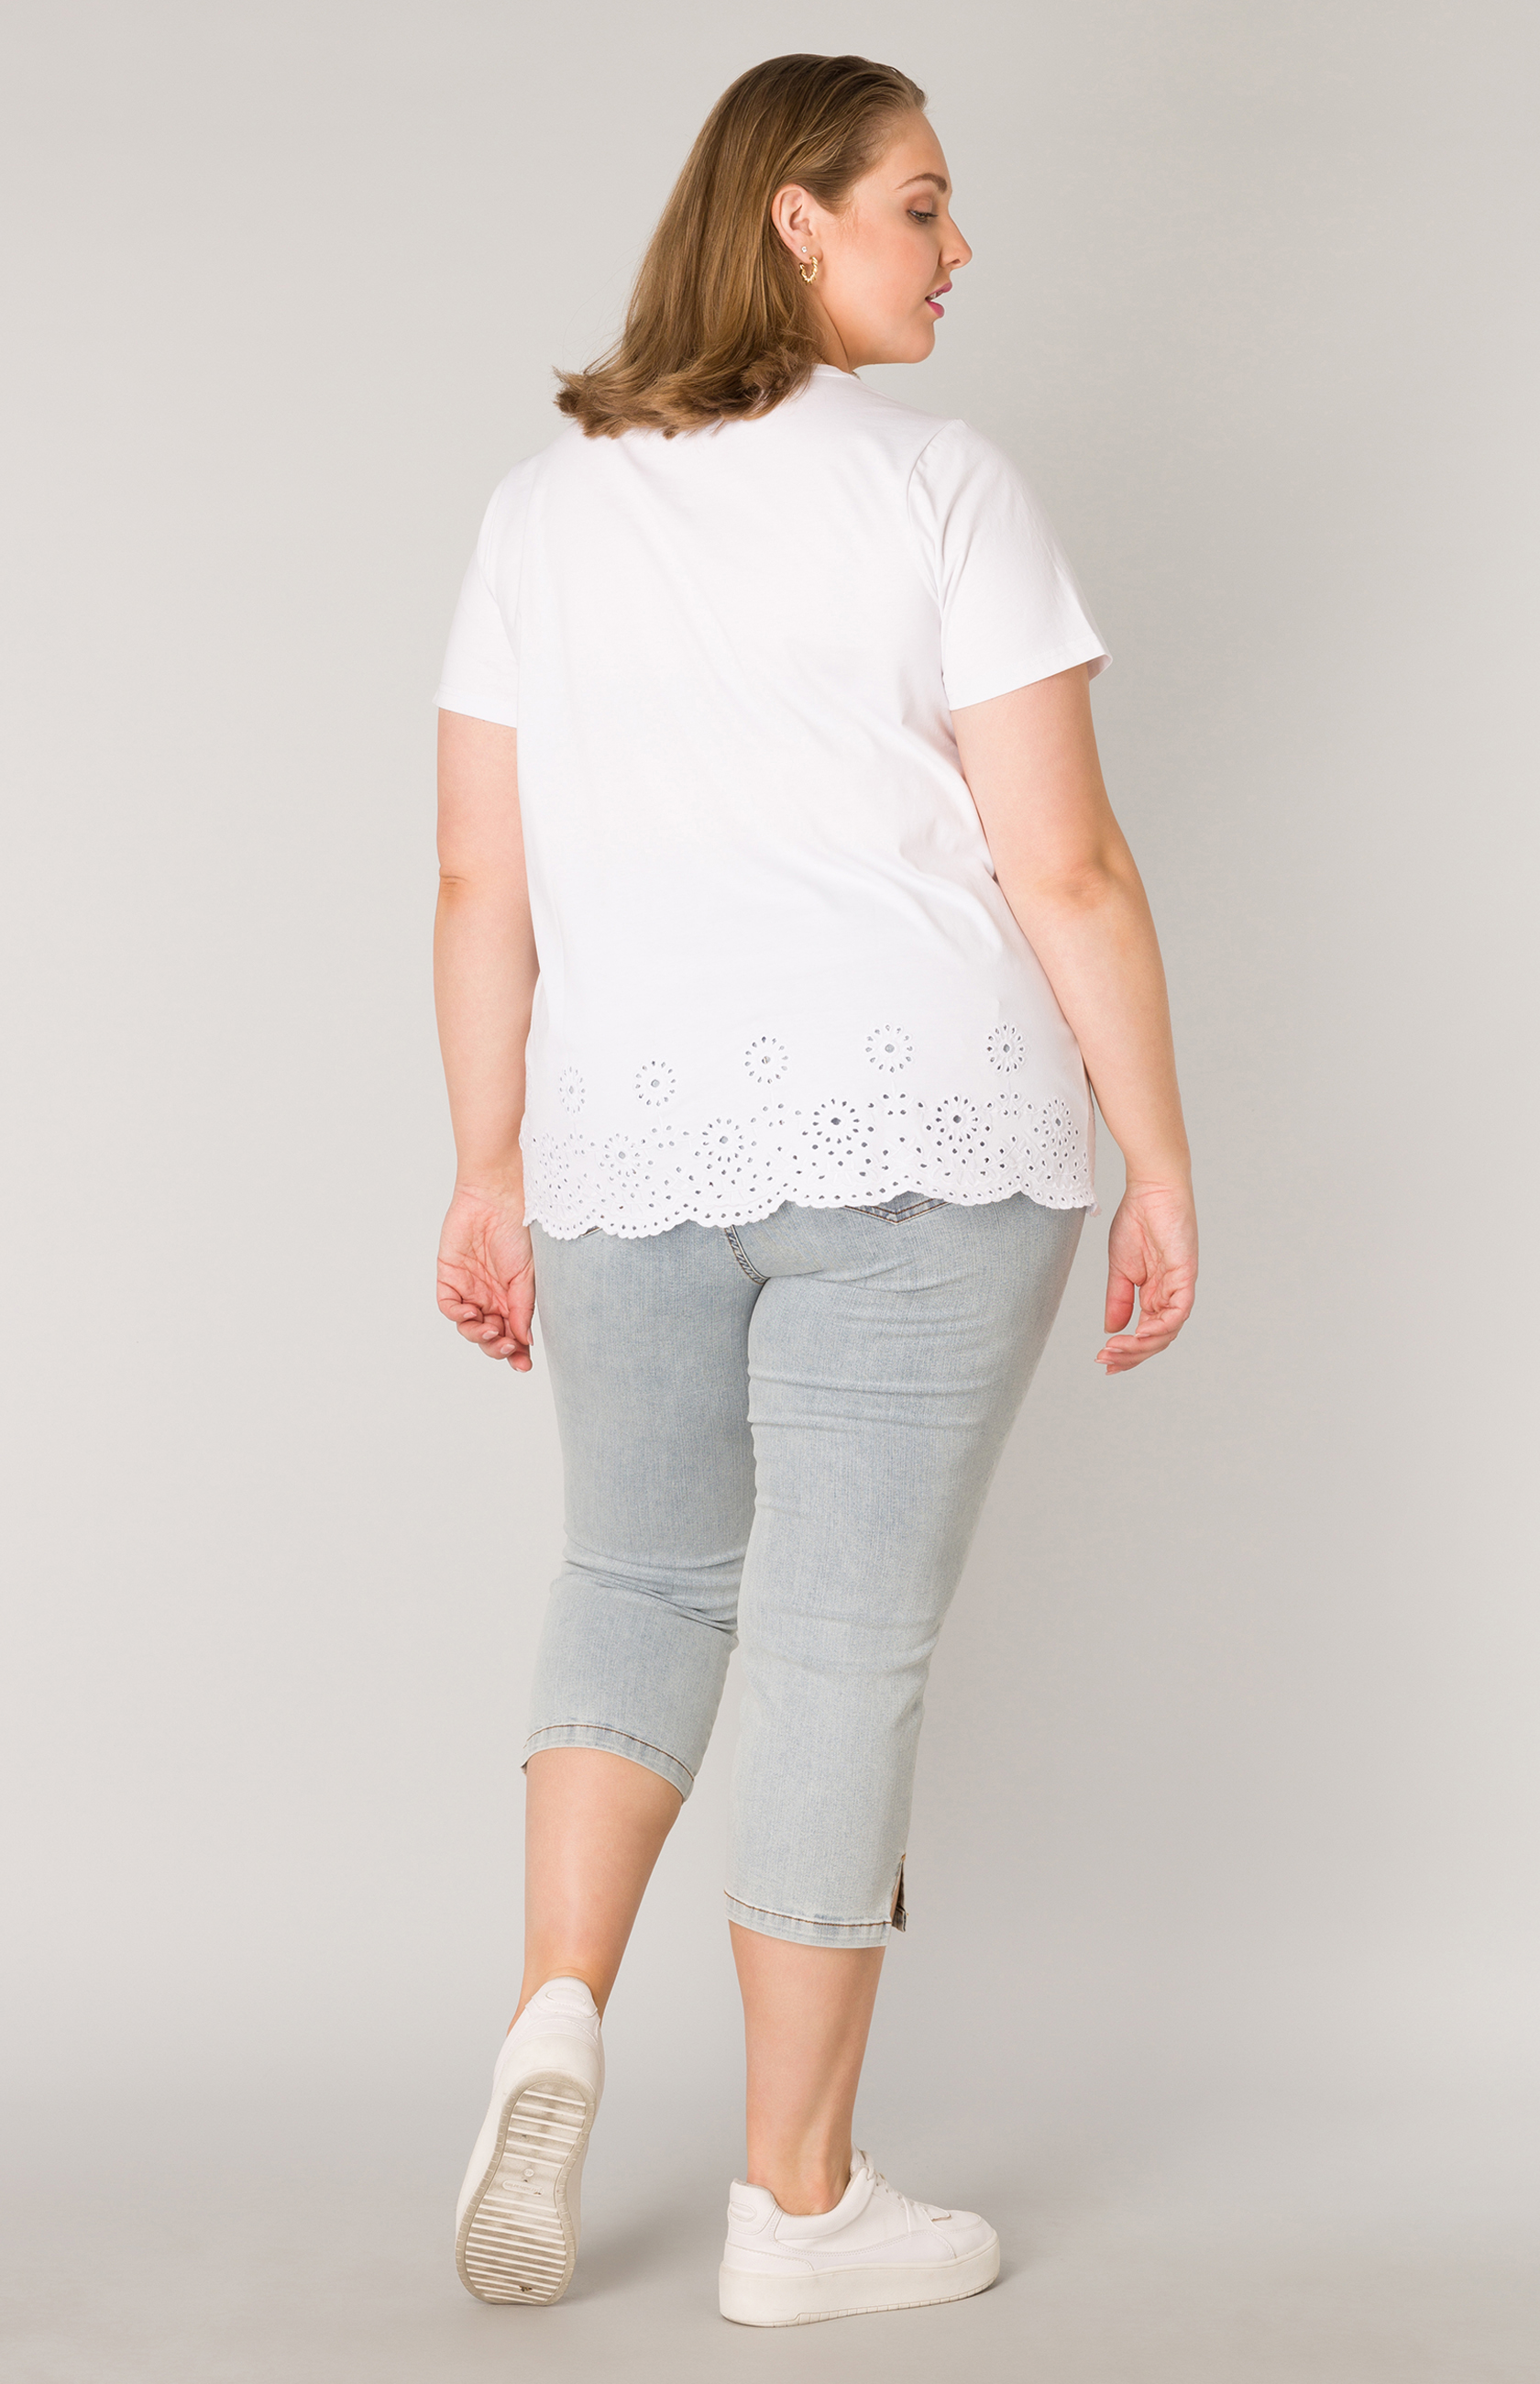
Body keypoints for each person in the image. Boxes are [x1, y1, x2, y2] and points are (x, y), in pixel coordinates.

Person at [433, 50, 1196, 2329]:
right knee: (836, 1644)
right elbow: (1063, 861)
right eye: (919, 206)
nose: (956, 251)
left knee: (636, 1573)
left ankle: (552, 2011)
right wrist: (1158, 1152)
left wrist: (487, 1163)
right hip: (922, 1134)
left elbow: (480, 880)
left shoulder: (539, 513)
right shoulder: (940, 486)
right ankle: (797, 2200)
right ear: (795, 218)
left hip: (626, 1139)